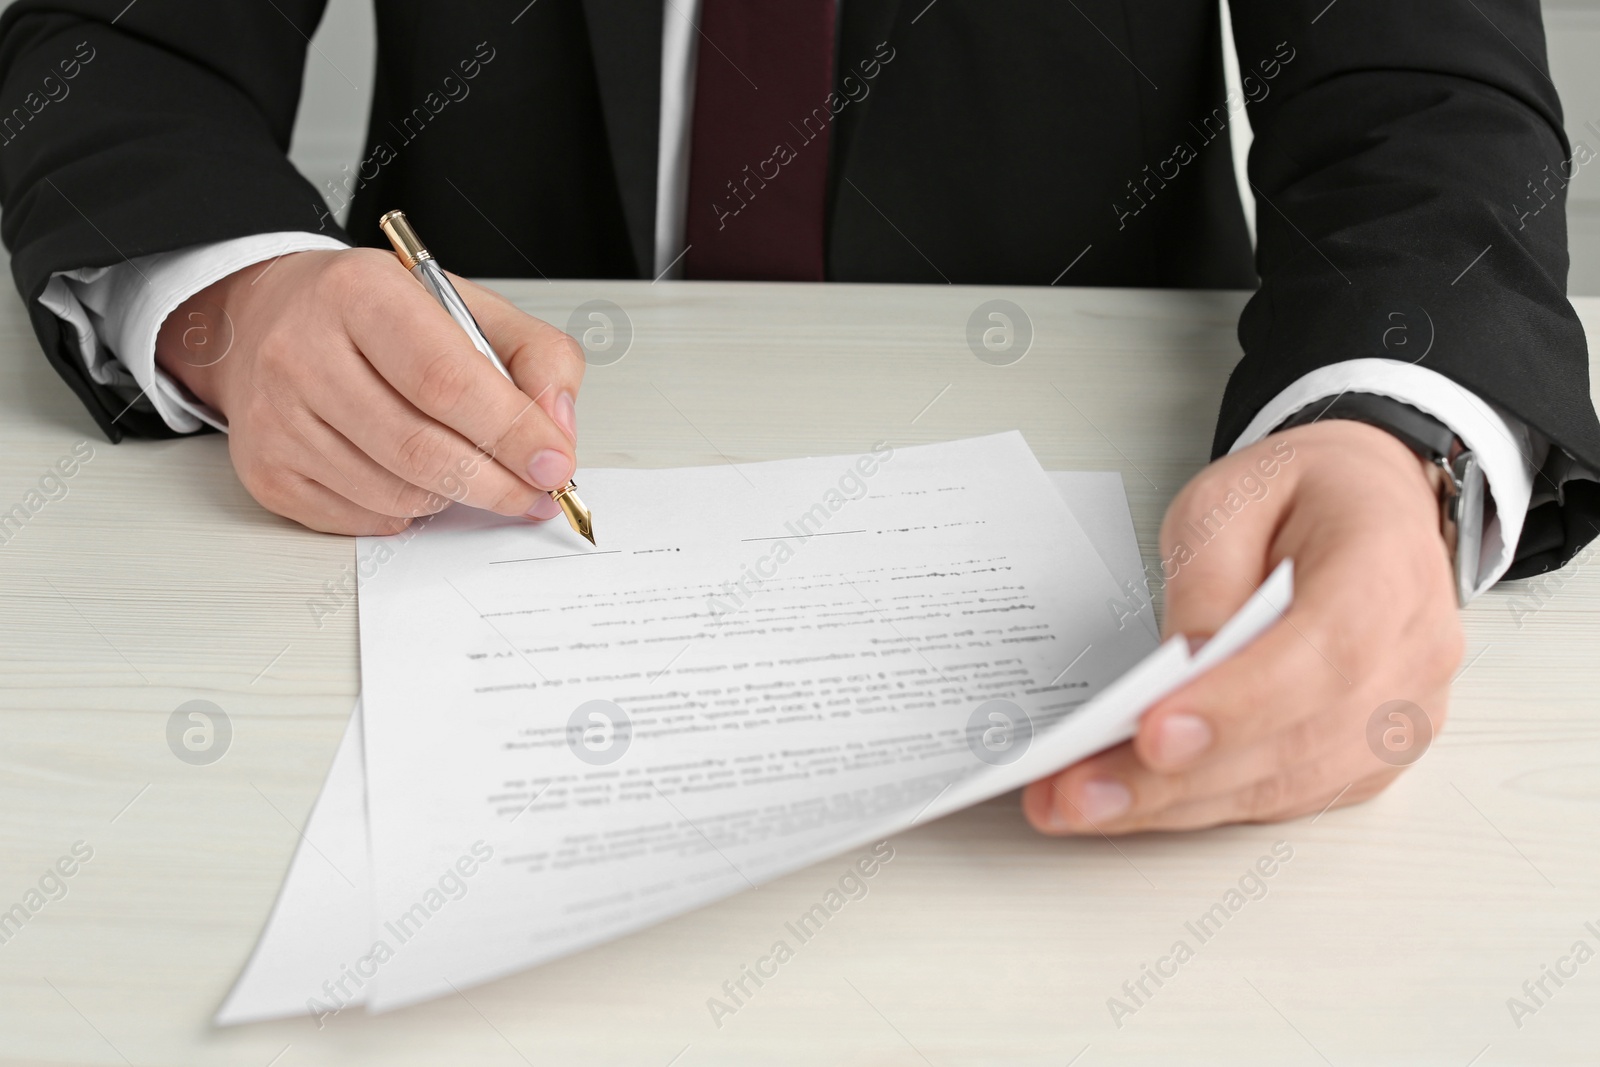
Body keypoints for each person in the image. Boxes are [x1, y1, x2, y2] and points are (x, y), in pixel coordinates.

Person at [2, 0, 1596, 835]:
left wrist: (1400, 437)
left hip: (1109, 488)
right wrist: (239, 298)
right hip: (417, 521)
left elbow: (1425, 101)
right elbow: (107, 43)